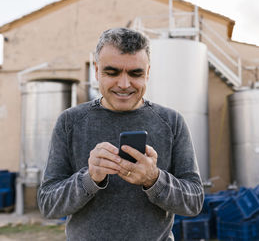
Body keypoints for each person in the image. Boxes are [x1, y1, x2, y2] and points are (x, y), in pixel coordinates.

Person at [37, 28, 204, 240]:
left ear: (148, 73)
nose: (124, 84)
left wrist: (154, 179)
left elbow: (194, 202)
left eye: (136, 73)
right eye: (112, 72)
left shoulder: (171, 122)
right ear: (96, 71)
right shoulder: (70, 122)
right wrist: (90, 179)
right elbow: (48, 205)